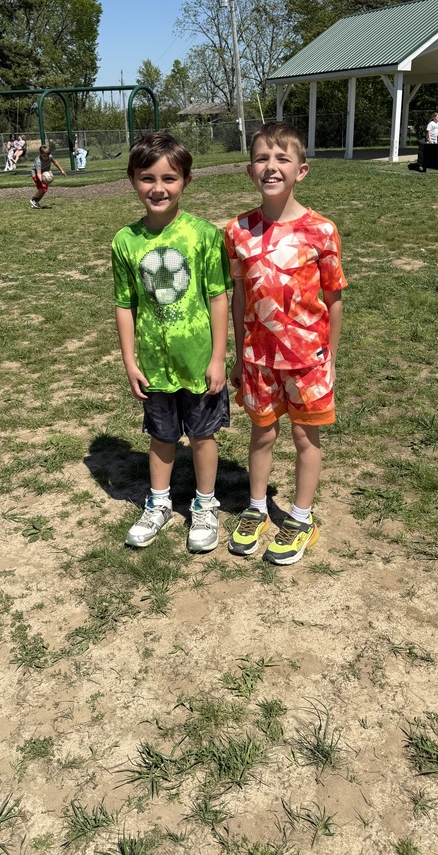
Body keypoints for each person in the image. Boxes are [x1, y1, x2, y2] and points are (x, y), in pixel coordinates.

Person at [225, 122, 347, 566]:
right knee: (262, 432)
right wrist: (239, 354)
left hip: (307, 360)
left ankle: (300, 516)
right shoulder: (237, 231)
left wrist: (329, 356)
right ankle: (256, 508)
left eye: (282, 159)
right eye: (261, 158)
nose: (271, 167)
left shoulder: (322, 231)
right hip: (258, 357)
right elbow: (239, 298)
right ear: (249, 170)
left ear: (302, 170)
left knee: (303, 435)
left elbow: (333, 299)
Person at [112, 132, 230, 553]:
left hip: (198, 362)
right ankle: (159, 503)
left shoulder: (203, 235)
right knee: (161, 437)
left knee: (202, 436)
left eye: (169, 178)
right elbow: (124, 305)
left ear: (186, 181)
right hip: (153, 363)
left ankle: (204, 505)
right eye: (147, 178)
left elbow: (218, 296)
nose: (158, 188)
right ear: (131, 180)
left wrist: (218, 357)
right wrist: (129, 362)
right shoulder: (124, 242)